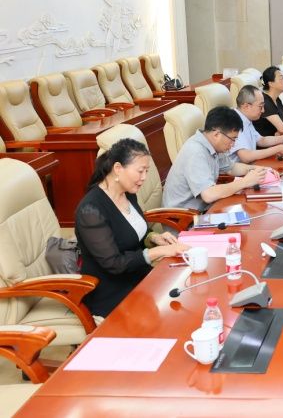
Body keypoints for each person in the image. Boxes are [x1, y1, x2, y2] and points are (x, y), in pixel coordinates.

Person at [75, 138, 189, 317]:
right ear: (118, 168)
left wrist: (153, 238)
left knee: (185, 292)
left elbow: (131, 231)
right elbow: (114, 264)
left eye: (147, 171)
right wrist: (160, 251)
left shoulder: (128, 193)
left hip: (139, 275)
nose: (144, 178)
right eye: (140, 171)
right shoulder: (91, 210)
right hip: (112, 291)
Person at [162, 106, 268, 211]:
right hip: (184, 217)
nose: (233, 144)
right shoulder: (195, 151)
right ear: (217, 134)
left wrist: (259, 170)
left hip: (205, 208)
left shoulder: (213, 145)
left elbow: (231, 168)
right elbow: (208, 195)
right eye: (232, 139)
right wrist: (245, 182)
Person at [231, 85, 283, 163]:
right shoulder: (233, 121)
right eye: (260, 106)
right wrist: (278, 149)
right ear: (246, 106)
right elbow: (246, 156)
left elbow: (261, 140)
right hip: (239, 168)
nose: (263, 111)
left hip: (251, 165)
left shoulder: (245, 118)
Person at [254, 65, 283, 136]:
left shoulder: (277, 99)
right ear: (271, 83)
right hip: (267, 141)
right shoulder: (265, 102)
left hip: (279, 138)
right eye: (281, 78)